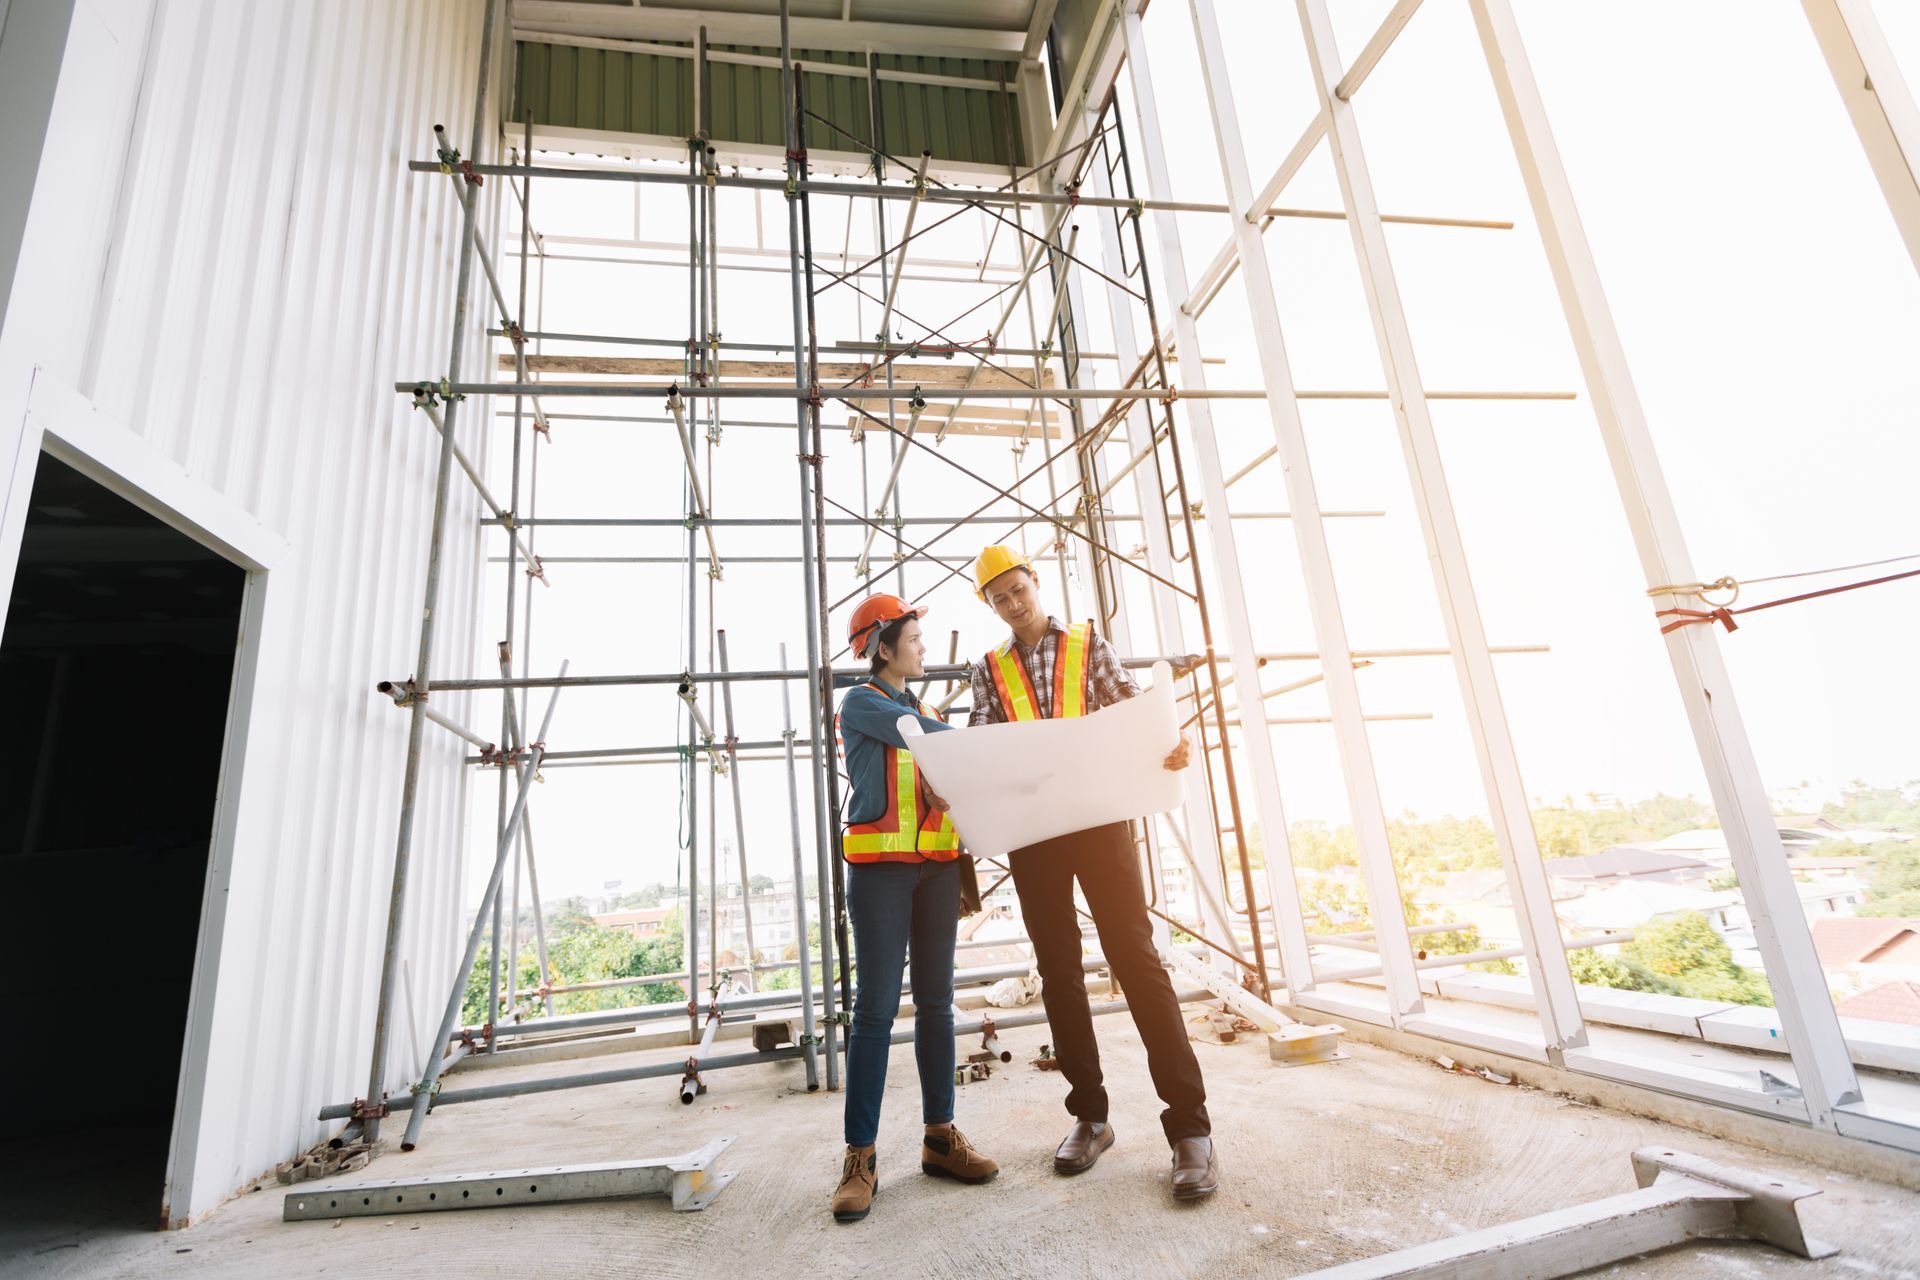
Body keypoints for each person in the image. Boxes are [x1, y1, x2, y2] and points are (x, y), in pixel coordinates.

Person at [967, 545, 1219, 1201]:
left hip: (1102, 822)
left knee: (1135, 959)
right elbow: (979, 746)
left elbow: (1133, 711)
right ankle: (1090, 1116)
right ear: (988, 606)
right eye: (1000, 599)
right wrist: (954, 780)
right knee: (1058, 970)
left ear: (1035, 583)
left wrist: (1168, 742)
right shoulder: (989, 671)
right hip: (1034, 835)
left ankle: (1190, 1129)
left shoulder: (1086, 644)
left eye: (1018, 590)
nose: (1013, 604)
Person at [829, 592, 999, 1224]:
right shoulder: (865, 703)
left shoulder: (919, 703)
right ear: (881, 645)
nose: (924, 646)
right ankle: (861, 1157)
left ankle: (939, 1137)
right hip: (880, 875)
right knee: (874, 1011)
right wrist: (1006, 744)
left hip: (934, 871)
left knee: (936, 1003)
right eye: (914, 637)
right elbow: (934, 742)